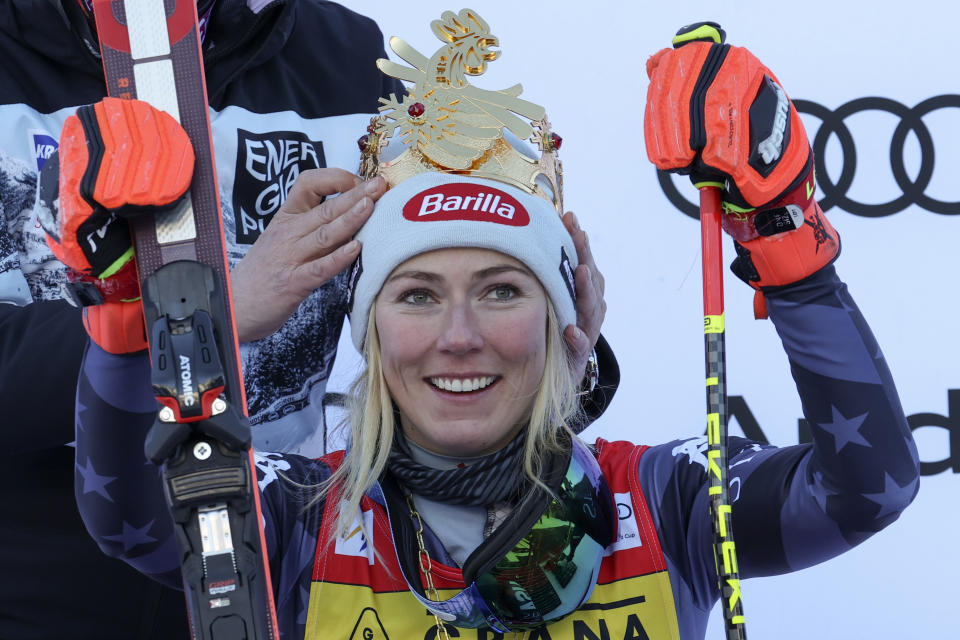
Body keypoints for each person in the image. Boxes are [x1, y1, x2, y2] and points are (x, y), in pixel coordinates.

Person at [66, 12, 917, 640]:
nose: (459, 334)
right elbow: (127, 518)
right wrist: (128, 321)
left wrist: (785, 241)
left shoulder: (663, 503)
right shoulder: (297, 517)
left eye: (504, 291)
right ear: (367, 329)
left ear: (567, 320)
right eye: (417, 294)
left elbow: (865, 488)